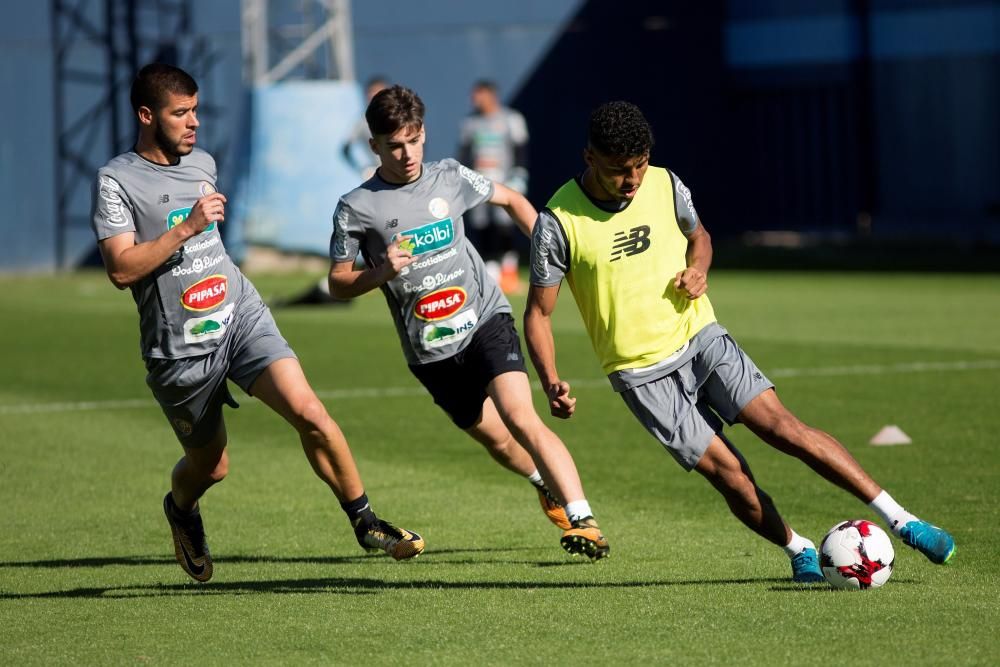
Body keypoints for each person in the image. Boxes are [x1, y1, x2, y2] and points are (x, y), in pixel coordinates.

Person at [524, 100, 955, 581]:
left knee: (785, 429)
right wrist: (551, 381)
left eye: (640, 165)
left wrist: (698, 270)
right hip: (641, 375)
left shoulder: (666, 184)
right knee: (729, 474)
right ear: (589, 158)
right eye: (618, 170)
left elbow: (700, 236)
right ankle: (798, 550)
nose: (632, 179)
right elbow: (539, 313)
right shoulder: (557, 222)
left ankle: (903, 520)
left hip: (700, 336)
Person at [90, 63, 424, 583]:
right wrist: (188, 228)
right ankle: (181, 509)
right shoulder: (116, 181)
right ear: (147, 115)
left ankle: (366, 522)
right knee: (211, 467)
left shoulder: (203, 162)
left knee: (310, 411)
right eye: (181, 113)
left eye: (196, 111)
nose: (193, 122)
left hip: (240, 314)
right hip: (180, 349)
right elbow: (120, 269)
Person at [327, 85, 609, 560]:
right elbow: (337, 282)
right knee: (498, 441)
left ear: (424, 135)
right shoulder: (355, 207)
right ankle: (543, 481)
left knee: (521, 418)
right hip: (431, 351)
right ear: (374, 145)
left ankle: (584, 519)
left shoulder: (449, 177)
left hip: (485, 319)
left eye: (414, 140)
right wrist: (380, 272)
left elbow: (513, 201)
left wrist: (552, 258)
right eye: (394, 144)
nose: (407, 153)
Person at [458, 80, 529, 294]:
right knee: (481, 226)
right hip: (479, 183)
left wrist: (519, 174)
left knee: (504, 225)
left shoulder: (511, 119)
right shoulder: (470, 123)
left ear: (491, 95)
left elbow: (521, 149)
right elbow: (464, 154)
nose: (475, 99)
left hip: (504, 182)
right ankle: (491, 272)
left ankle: (509, 271)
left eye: (479, 94)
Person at [342, 76, 390, 181]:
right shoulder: (361, 123)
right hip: (379, 177)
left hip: (401, 173)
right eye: (371, 92)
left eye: (379, 92)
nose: (374, 95)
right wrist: (362, 168)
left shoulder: (400, 118)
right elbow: (345, 149)